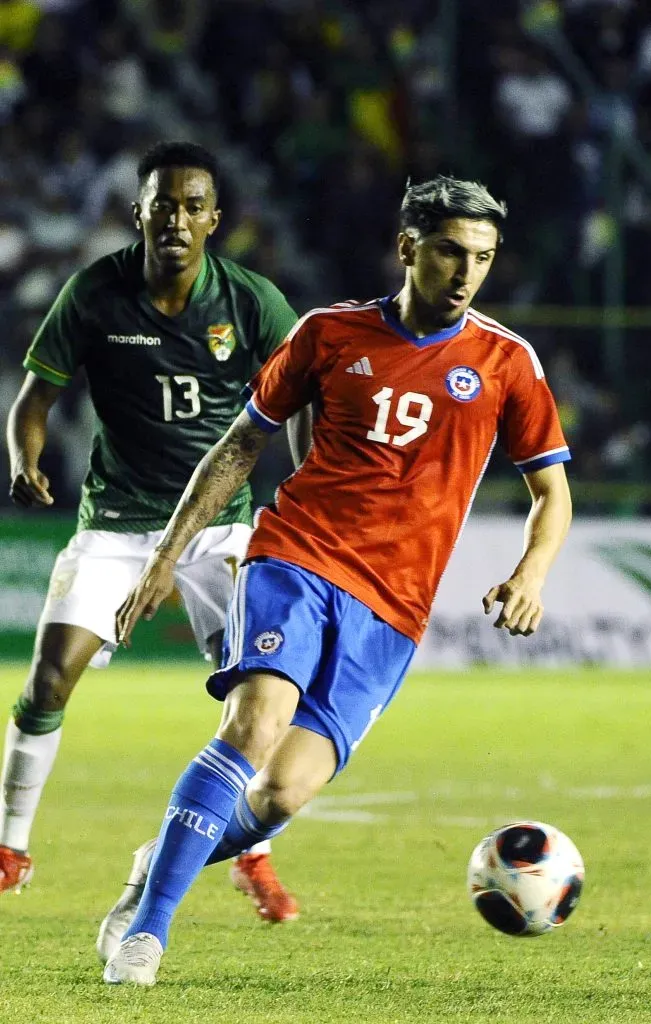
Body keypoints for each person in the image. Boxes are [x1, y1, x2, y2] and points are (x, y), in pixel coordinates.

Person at [102, 175, 573, 985]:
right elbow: (242, 444)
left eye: (483, 258)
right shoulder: (329, 334)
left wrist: (531, 571)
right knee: (254, 725)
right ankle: (145, 935)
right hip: (300, 554)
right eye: (452, 252)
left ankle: (164, 855)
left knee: (283, 793)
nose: (467, 273)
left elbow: (552, 491)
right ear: (407, 249)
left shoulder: (506, 362)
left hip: (393, 608)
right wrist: (168, 554)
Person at [2, 141, 304, 938]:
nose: (175, 217)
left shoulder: (252, 303)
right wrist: (24, 455)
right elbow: (36, 395)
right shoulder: (95, 294)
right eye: (160, 203)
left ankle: (250, 851)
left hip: (219, 530)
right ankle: (9, 849)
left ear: (214, 219)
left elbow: (304, 397)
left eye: (191, 204)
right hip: (115, 523)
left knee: (265, 702)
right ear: (137, 213)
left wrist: (305, 480)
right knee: (47, 682)